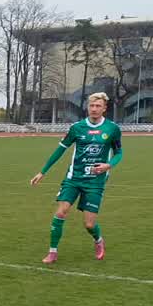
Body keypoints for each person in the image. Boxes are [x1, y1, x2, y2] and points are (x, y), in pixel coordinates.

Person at [29, 92, 123, 264]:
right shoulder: (77, 128)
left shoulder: (112, 129)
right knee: (61, 212)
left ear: (104, 108)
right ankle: (52, 252)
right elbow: (60, 150)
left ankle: (98, 240)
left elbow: (119, 153)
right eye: (91, 106)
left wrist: (108, 165)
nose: (94, 109)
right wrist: (42, 172)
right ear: (88, 107)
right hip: (74, 178)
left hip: (95, 181)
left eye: (98, 106)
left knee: (89, 224)